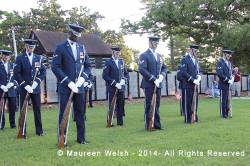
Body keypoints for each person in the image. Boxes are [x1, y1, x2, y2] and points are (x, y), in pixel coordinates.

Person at [52, 24, 91, 146]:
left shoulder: (82, 48)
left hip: (79, 87)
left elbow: (88, 66)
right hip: (65, 87)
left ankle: (81, 138)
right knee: (64, 113)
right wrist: (68, 82)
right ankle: (62, 139)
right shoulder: (60, 47)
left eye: (78, 35)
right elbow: (55, 67)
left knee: (80, 113)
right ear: (70, 33)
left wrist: (83, 79)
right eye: (75, 35)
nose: (77, 37)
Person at [14, 39, 46, 137]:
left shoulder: (39, 58)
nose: (30, 49)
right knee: (23, 110)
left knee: (37, 110)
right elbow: (16, 73)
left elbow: (43, 72)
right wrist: (25, 85)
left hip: (35, 89)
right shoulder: (19, 58)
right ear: (26, 47)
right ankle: (22, 132)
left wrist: (37, 82)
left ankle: (39, 131)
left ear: (34, 48)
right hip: (24, 89)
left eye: (32, 47)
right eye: (29, 47)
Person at [139, 36, 167, 131]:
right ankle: (149, 125)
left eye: (157, 43)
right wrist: (153, 78)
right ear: (150, 42)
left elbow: (164, 68)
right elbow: (142, 69)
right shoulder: (144, 55)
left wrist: (162, 76)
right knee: (149, 104)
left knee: (157, 104)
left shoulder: (159, 56)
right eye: (154, 43)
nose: (156, 44)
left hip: (158, 84)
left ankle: (157, 125)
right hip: (148, 84)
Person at [103, 46, 129, 127]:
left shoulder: (122, 62)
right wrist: (114, 83)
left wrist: (124, 80)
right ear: (113, 52)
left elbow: (126, 73)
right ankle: (110, 121)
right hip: (112, 88)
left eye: (119, 53)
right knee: (112, 104)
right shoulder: (108, 62)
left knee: (121, 104)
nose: (118, 54)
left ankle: (120, 122)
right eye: (116, 53)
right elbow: (105, 76)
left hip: (121, 88)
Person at [179, 44, 201, 124]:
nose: (196, 52)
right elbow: (183, 72)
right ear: (190, 50)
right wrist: (192, 80)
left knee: (195, 101)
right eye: (195, 51)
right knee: (187, 102)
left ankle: (194, 117)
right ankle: (188, 119)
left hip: (195, 85)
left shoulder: (196, 60)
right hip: (187, 84)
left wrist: (199, 77)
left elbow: (199, 71)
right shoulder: (185, 59)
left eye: (197, 51)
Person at [0, 50, 18, 130]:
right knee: (1, 109)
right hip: (1, 90)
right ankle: (1, 124)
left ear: (10, 57)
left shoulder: (13, 65)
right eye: (5, 55)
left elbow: (17, 77)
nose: (6, 57)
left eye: (8, 56)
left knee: (12, 108)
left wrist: (13, 83)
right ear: (2, 56)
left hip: (11, 91)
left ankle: (12, 124)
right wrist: (1, 86)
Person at [216, 49, 234, 118]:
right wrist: (227, 80)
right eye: (228, 55)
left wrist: (232, 77)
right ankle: (223, 114)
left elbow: (230, 72)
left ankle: (227, 112)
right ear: (225, 54)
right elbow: (220, 74)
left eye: (230, 55)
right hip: (223, 84)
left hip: (228, 85)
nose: (229, 56)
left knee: (227, 100)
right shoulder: (220, 62)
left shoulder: (229, 63)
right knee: (223, 100)